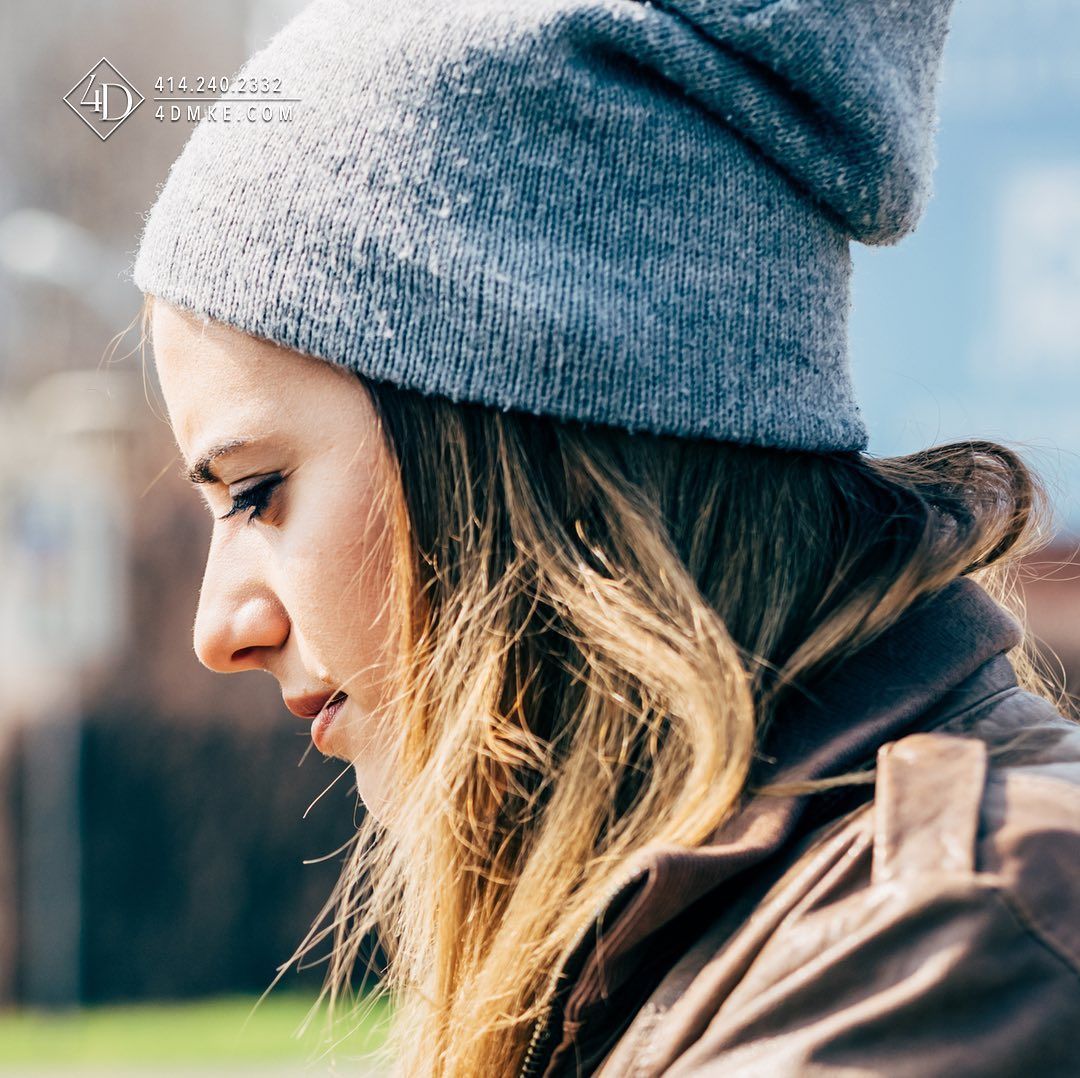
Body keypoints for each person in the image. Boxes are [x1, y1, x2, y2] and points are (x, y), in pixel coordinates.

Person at [132, 0, 1080, 1074]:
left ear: (522, 426)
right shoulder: (682, 941)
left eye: (258, 489)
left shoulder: (950, 946)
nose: (222, 629)